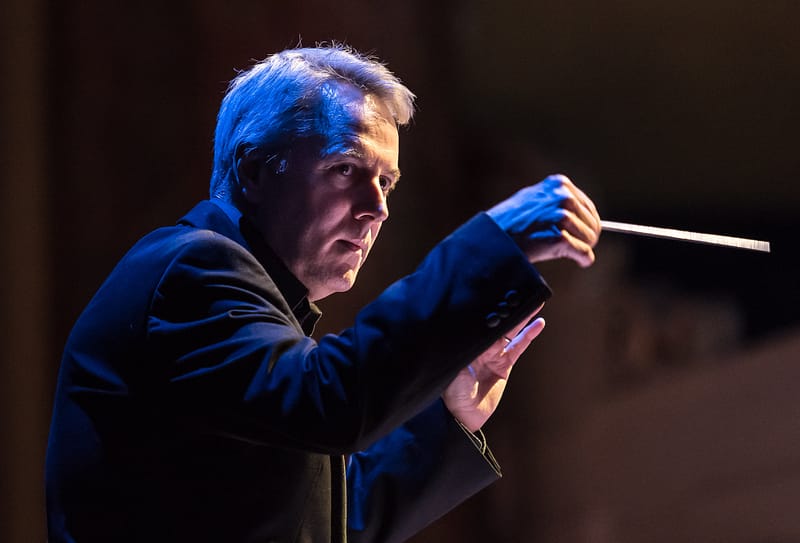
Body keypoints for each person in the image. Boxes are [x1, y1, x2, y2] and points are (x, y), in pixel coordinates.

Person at [45, 45, 601, 542]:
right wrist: (491, 247)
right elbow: (328, 404)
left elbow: (322, 525)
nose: (376, 208)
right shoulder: (193, 271)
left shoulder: (257, 311)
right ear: (255, 169)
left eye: (386, 182)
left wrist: (449, 415)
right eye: (346, 168)